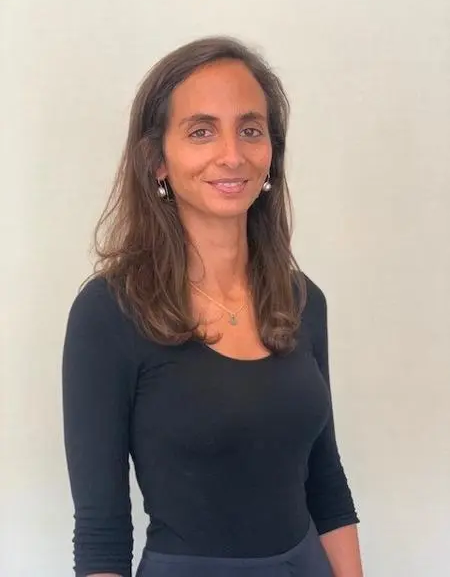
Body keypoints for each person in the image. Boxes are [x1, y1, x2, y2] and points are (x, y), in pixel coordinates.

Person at [62, 36, 363, 577]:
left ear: (271, 152)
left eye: (250, 129)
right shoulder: (109, 312)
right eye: (202, 131)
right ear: (157, 161)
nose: (232, 154)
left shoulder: (302, 301)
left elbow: (326, 483)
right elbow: (101, 532)